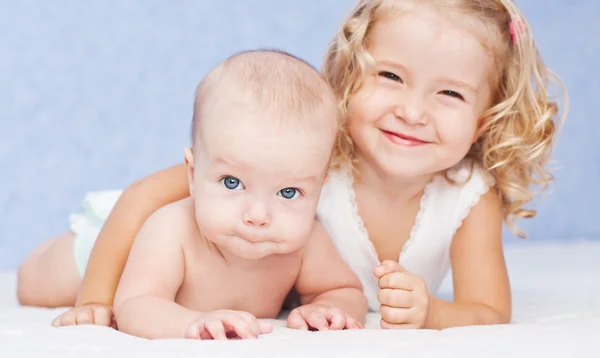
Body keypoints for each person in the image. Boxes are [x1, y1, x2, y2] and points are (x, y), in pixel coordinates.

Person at [19, 0, 566, 330]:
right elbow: (144, 201)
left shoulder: (467, 195)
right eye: (391, 77)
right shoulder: (315, 156)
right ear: (351, 74)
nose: (412, 111)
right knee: (39, 284)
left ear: (487, 117)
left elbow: (487, 311)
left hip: (232, 283)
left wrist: (431, 314)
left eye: (449, 92)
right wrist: (95, 299)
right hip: (146, 238)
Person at [19, 49, 367, 339]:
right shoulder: (172, 230)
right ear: (192, 173)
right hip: (114, 241)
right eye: (232, 183)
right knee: (39, 284)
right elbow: (135, 304)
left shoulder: (305, 244)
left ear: (319, 190)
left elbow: (345, 291)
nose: (259, 215)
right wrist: (188, 323)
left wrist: (329, 309)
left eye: (289, 192)